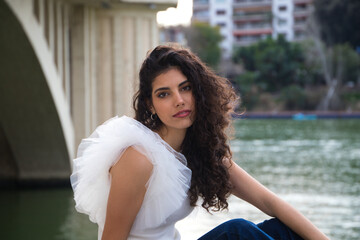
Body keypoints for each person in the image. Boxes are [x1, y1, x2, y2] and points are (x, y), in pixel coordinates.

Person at [70, 44, 329, 240]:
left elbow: (269, 203)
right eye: (164, 94)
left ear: (199, 91)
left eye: (185, 88)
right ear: (150, 104)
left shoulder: (199, 151)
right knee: (239, 231)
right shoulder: (138, 158)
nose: (179, 100)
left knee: (281, 229)